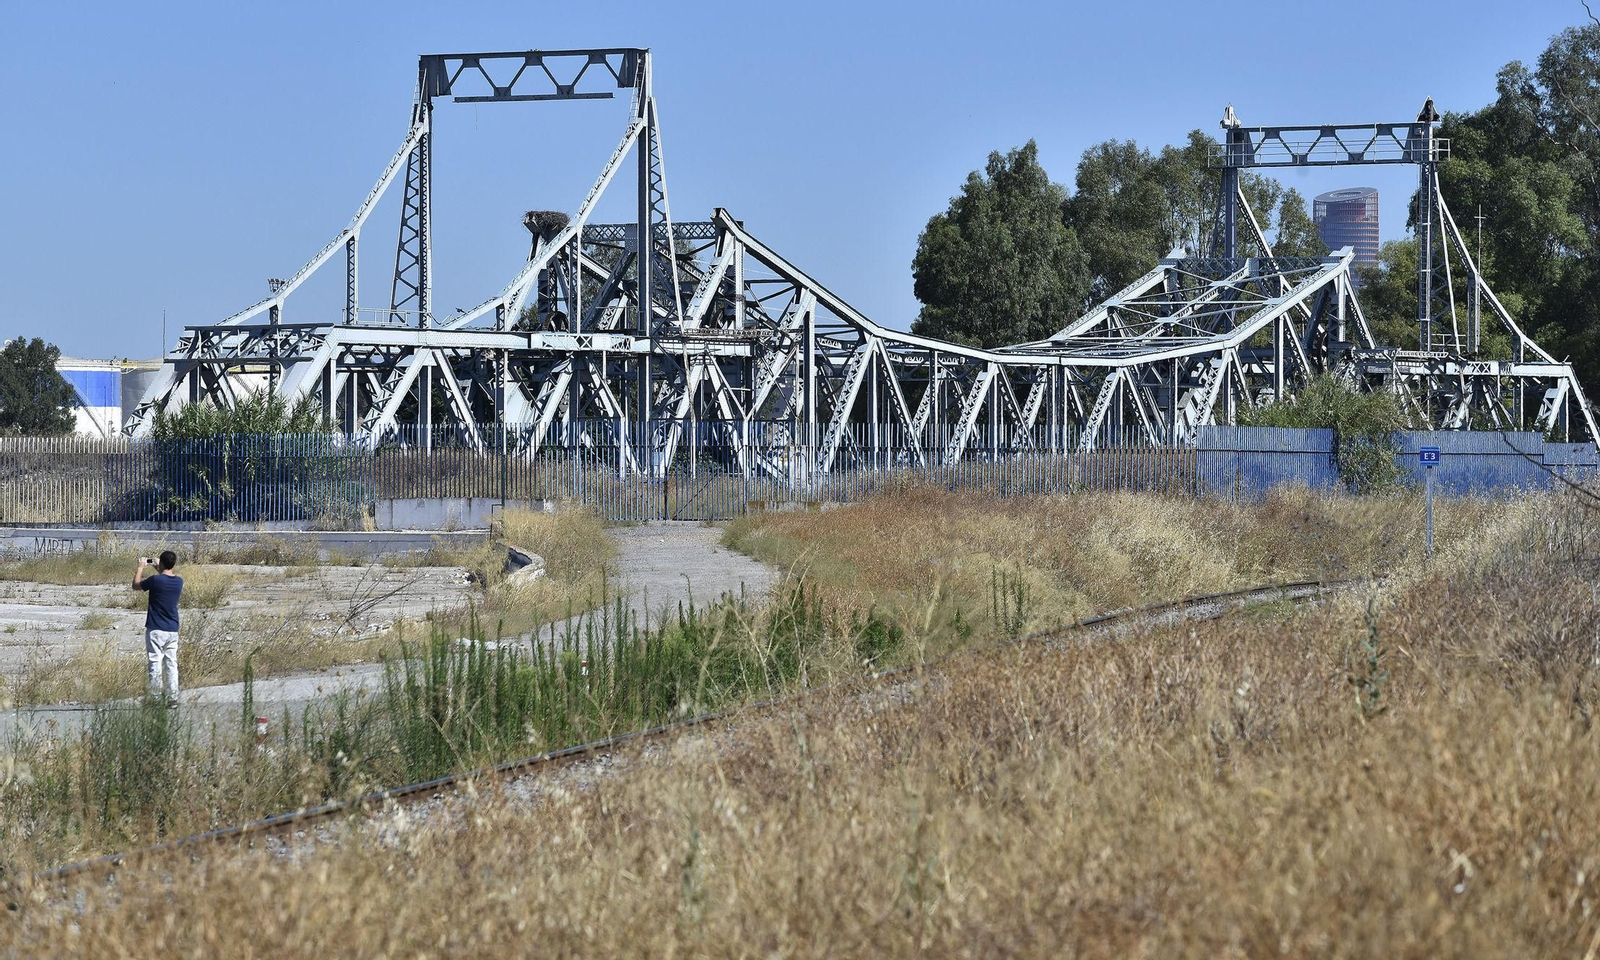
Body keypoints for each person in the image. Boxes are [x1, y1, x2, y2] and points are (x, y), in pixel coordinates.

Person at [132, 550, 184, 704]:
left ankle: (155, 698)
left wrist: (141, 567)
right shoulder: (179, 581)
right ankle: (172, 697)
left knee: (155, 662)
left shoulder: (155, 580)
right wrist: (159, 567)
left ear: (161, 563)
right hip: (172, 628)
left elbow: (136, 585)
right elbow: (166, 578)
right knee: (171, 663)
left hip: (156, 628)